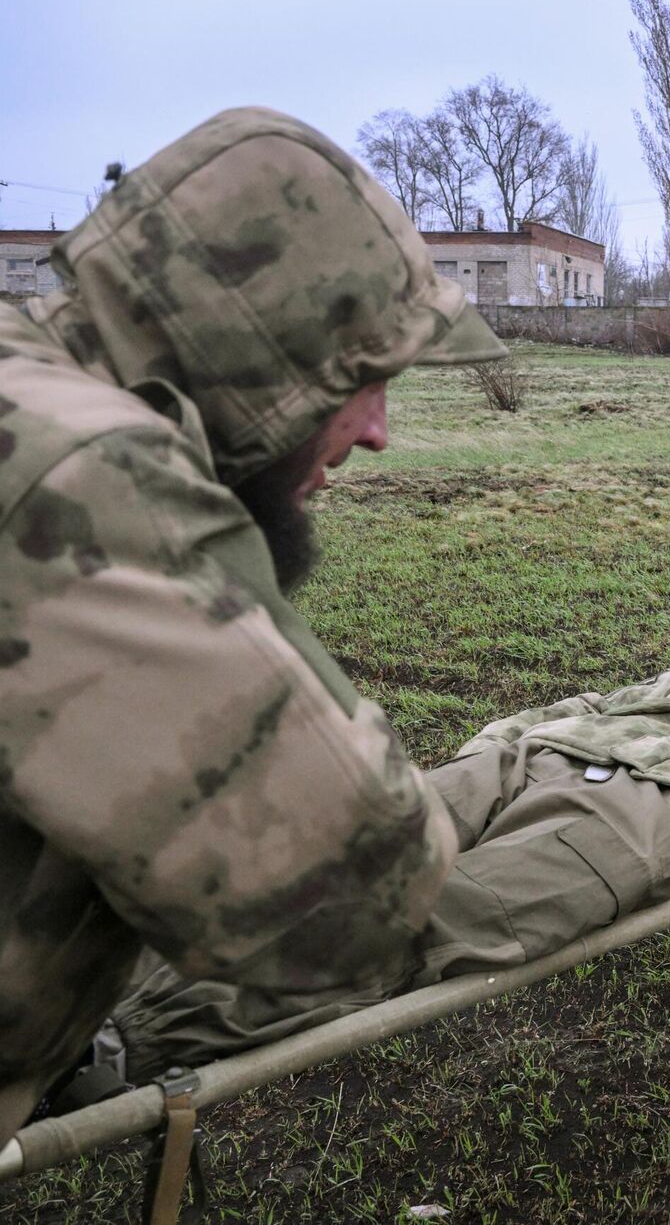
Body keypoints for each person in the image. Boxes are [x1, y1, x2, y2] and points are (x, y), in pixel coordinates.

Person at [0, 107, 508, 1135]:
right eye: (362, 381)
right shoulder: (79, 474)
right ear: (249, 362)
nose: (377, 432)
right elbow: (353, 895)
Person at [101, 627, 670, 1085]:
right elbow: (616, 692)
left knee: (402, 924)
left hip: (648, 808)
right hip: (538, 751)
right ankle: (66, 983)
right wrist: (508, 738)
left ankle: (103, 1049)